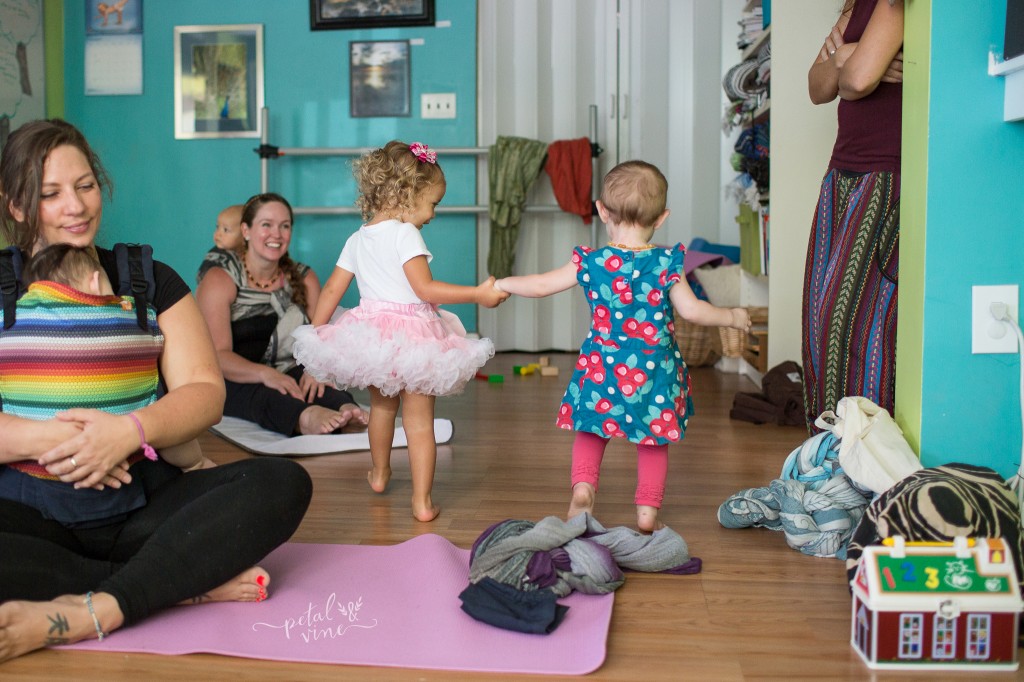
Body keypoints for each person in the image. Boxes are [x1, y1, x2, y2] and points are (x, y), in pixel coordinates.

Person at [0, 119, 312, 662]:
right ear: (18, 206)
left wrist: (126, 432)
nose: (75, 206)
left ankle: (94, 609)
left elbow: (202, 392)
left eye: (85, 186)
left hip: (144, 502)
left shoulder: (147, 278)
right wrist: (67, 443)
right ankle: (171, 581)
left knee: (284, 482)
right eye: (50, 194)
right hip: (30, 511)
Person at [492, 160, 751, 532]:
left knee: (592, 430)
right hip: (654, 372)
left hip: (602, 367)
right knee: (653, 440)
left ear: (601, 211)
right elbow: (693, 311)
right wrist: (733, 316)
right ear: (661, 218)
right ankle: (647, 513)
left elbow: (540, 285)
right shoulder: (667, 262)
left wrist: (501, 284)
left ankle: (583, 491)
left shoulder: (592, 262)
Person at [291, 140, 508, 522]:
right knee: (419, 421)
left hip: (373, 336)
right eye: (433, 204)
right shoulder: (405, 234)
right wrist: (477, 293)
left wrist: (318, 331)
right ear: (407, 196)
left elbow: (331, 290)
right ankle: (422, 502)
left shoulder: (357, 238)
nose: (433, 215)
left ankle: (379, 473)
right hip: (415, 337)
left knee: (380, 407)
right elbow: (424, 289)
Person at [12, 243, 212, 475]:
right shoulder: (126, 316)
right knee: (171, 430)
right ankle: (196, 465)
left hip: (42, 465)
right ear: (95, 282)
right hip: (130, 449)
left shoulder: (19, 322)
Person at [803, 0, 904, 431]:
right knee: (818, 325)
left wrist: (850, 63)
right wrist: (847, 58)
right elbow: (817, 87)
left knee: (853, 328)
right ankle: (826, 454)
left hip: (886, 174)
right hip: (842, 174)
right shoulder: (858, 4)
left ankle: (858, 460)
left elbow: (859, 80)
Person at [196, 192, 369, 436]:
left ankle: (346, 409)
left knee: (315, 383)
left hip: (286, 367)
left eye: (284, 226)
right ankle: (305, 418)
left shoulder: (305, 278)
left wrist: (314, 371)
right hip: (232, 376)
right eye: (266, 225)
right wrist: (266, 374)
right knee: (265, 393)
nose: (276, 234)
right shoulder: (220, 279)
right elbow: (218, 356)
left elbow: (317, 339)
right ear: (246, 230)